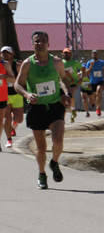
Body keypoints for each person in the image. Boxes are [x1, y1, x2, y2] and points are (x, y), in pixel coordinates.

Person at [13, 31, 73, 189]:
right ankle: (41, 173)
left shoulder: (57, 62)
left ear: (49, 44)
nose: (40, 44)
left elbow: (64, 80)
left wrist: (67, 94)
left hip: (55, 106)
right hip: (36, 108)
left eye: (43, 41)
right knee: (41, 147)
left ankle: (54, 162)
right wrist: (26, 94)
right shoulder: (27, 63)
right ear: (32, 44)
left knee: (58, 140)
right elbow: (17, 84)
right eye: (36, 41)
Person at [2, 46, 23, 146]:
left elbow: (18, 80)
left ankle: (12, 128)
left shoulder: (17, 65)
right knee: (7, 118)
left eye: (7, 53)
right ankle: (9, 139)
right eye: (3, 53)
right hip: (5, 94)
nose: (5, 55)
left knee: (19, 119)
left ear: (12, 54)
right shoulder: (1, 65)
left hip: (16, 93)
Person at [61, 48, 83, 122]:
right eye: (65, 53)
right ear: (62, 54)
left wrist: (81, 77)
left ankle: (72, 110)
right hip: (64, 84)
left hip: (74, 82)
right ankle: (66, 116)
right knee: (64, 101)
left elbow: (82, 70)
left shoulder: (75, 62)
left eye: (68, 53)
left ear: (71, 54)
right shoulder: (61, 63)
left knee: (70, 95)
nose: (66, 54)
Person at [85, 50, 104, 116]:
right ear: (91, 55)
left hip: (100, 80)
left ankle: (98, 108)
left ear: (97, 55)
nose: (94, 55)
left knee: (98, 91)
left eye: (95, 54)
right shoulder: (89, 62)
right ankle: (94, 104)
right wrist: (91, 66)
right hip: (92, 81)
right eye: (93, 54)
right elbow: (86, 72)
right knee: (93, 97)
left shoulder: (101, 62)